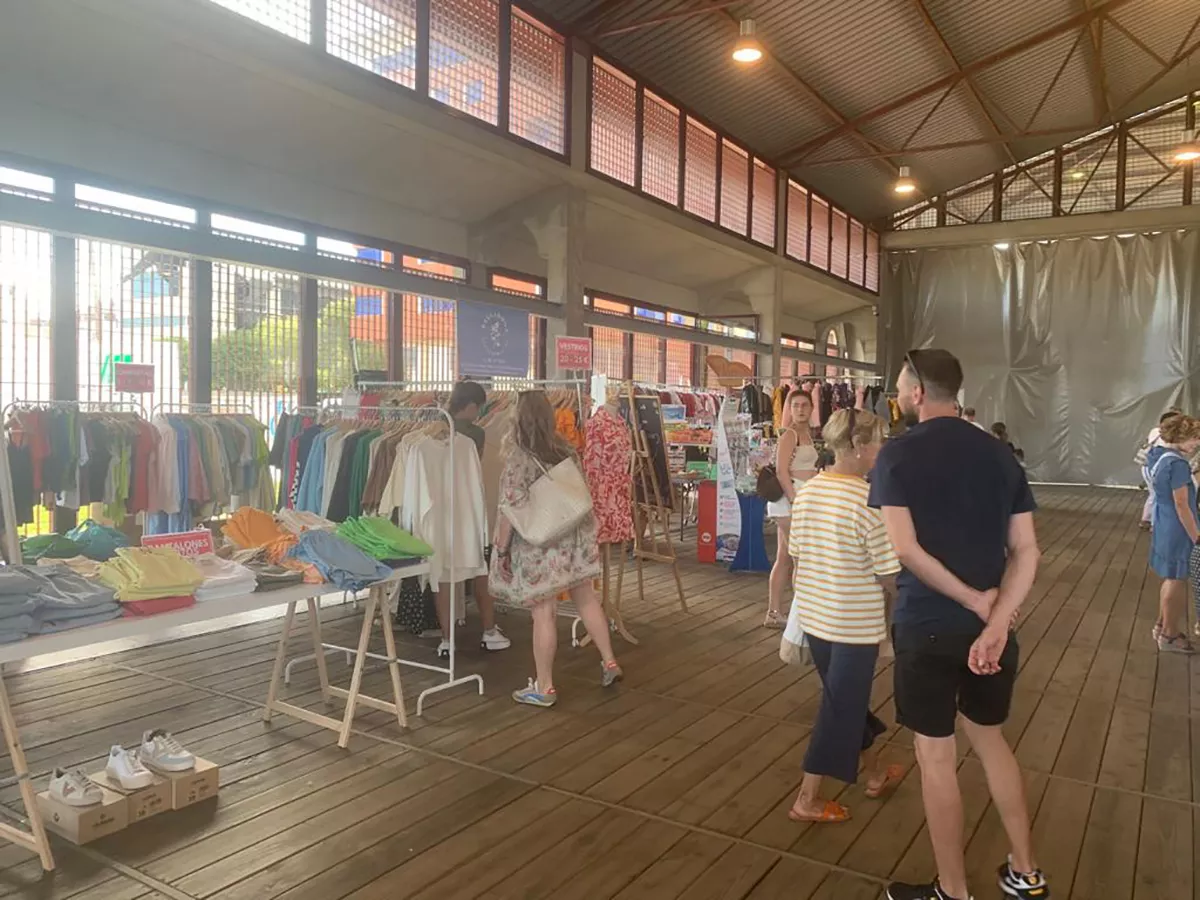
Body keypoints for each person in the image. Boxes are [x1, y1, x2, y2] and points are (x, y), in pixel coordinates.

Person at [870, 349, 1048, 900]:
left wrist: (974, 601)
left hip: (926, 625)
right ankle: (1026, 872)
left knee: (937, 758)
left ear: (919, 393)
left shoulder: (896, 456)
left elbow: (906, 550)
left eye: (901, 387)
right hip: (992, 632)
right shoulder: (1000, 457)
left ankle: (953, 891)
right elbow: (1027, 552)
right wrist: (995, 622)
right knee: (992, 743)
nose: (898, 396)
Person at [784, 408, 903, 823]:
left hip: (816, 620)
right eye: (879, 440)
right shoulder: (869, 503)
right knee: (839, 708)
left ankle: (873, 773)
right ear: (857, 446)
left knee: (845, 701)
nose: (882, 448)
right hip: (853, 627)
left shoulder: (809, 492)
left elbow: (797, 558)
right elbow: (890, 575)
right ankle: (807, 799)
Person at [489, 391, 623, 707]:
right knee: (587, 599)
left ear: (518, 419)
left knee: (544, 613)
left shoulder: (519, 458)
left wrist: (502, 550)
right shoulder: (565, 449)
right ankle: (609, 661)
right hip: (574, 539)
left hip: (540, 544)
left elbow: (511, 507)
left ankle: (545, 687)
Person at [439, 381, 510, 654]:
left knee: (444, 574)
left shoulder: (432, 427)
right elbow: (474, 468)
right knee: (481, 568)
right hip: (469, 507)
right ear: (470, 406)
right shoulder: (475, 434)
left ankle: (447, 639)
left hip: (440, 509)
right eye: (478, 408)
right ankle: (489, 630)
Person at [1144, 413, 1200, 652]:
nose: (1197, 444)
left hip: (1163, 521)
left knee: (1169, 577)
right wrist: (1196, 536)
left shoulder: (1157, 455)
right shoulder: (1177, 464)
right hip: (1178, 527)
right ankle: (1169, 635)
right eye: (1194, 439)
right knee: (1176, 579)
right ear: (1180, 437)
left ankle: (1162, 625)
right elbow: (1182, 504)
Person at [765, 388, 818, 629]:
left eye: (804, 405)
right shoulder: (789, 435)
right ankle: (800, 616)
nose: (800, 410)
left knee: (785, 556)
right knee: (800, 557)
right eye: (795, 405)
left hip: (800, 498)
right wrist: (795, 498)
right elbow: (780, 470)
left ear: (811, 408)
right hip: (789, 501)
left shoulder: (807, 434)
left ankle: (774, 612)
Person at [1138, 409, 1183, 529]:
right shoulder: (1166, 436)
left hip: (1148, 466)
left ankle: (1146, 519)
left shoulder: (1155, 431)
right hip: (1156, 468)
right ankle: (1154, 524)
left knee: (1154, 494)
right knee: (1159, 496)